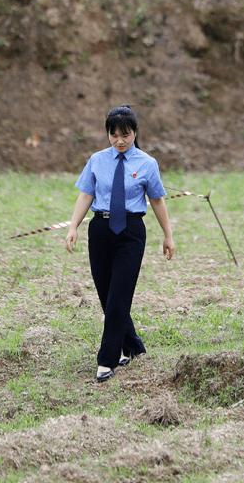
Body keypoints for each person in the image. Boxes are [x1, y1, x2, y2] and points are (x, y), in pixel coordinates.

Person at [65, 105, 175, 382]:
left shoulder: (147, 163)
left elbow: (157, 200)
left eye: (125, 135)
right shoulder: (96, 160)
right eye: (114, 135)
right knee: (107, 295)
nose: (120, 141)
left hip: (131, 232)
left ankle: (107, 359)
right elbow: (85, 194)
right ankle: (133, 346)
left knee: (119, 296)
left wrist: (168, 235)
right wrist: (73, 226)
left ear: (135, 132)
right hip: (100, 230)